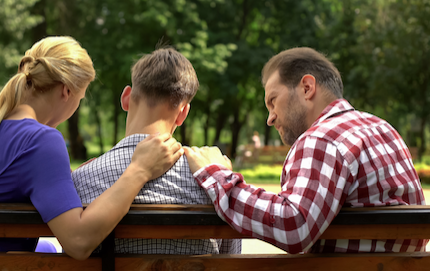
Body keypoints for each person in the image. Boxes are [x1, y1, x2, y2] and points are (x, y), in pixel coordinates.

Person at [0, 36, 183, 260]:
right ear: (66, 91)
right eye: (80, 99)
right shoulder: (41, 140)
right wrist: (139, 169)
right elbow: (78, 242)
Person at [183, 47, 427, 253]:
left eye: (273, 101)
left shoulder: (323, 138)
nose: (270, 118)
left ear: (307, 88)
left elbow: (293, 225)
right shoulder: (382, 128)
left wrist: (216, 174)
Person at [72, 47, 241, 254]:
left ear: (126, 98)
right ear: (183, 114)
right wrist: (223, 177)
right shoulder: (213, 184)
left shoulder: (81, 180)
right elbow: (230, 257)